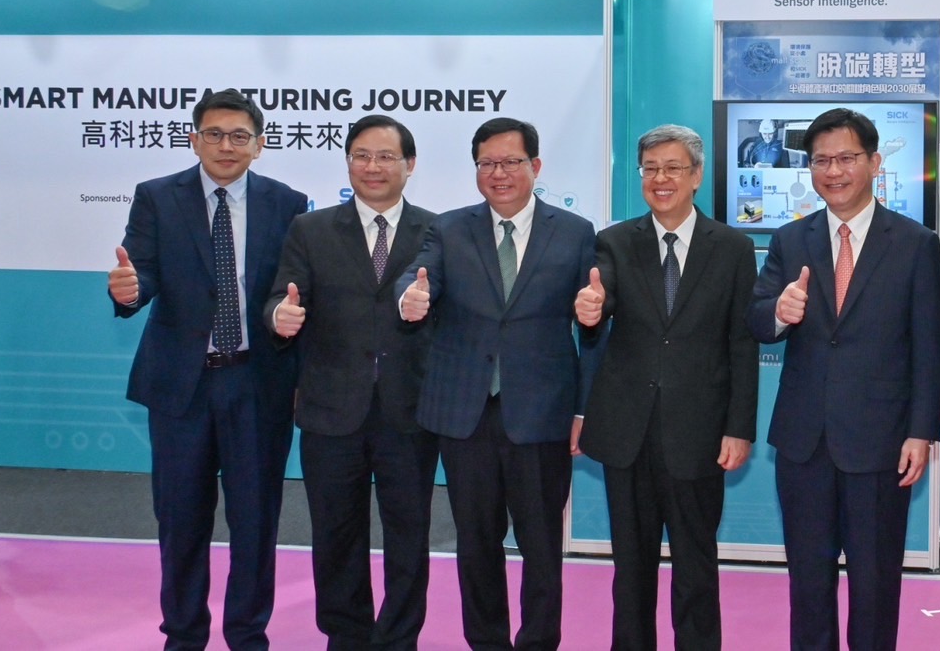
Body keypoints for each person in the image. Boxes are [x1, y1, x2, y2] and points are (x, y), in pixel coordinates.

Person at [107, 88, 308, 650]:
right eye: (214, 134)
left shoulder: (288, 203)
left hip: (257, 383)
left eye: (240, 136)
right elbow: (141, 273)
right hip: (182, 387)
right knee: (180, 521)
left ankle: (247, 635)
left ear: (259, 145)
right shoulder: (157, 197)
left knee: (256, 522)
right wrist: (129, 290)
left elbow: (289, 289)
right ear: (194, 139)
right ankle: (183, 635)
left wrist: (286, 316)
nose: (226, 145)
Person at [747, 107, 940, 651]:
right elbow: (757, 318)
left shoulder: (914, 242)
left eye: (846, 158)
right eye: (821, 161)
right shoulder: (791, 239)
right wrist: (778, 312)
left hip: (881, 443)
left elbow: (930, 346)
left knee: (875, 584)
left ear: (874, 163)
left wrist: (921, 431)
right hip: (804, 442)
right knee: (808, 583)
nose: (833, 171)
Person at [396, 117, 598, 651]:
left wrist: (584, 403)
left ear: (536, 166)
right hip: (466, 414)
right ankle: (486, 642)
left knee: (542, 547)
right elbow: (419, 276)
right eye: (487, 163)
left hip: (542, 414)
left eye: (511, 162)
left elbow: (594, 323)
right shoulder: (449, 229)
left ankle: (538, 642)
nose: (499, 173)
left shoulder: (575, 232)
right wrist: (409, 297)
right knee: (476, 544)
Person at [575, 124, 759, 651]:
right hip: (627, 432)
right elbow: (601, 300)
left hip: (699, 434)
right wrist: (591, 310)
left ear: (696, 175)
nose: (661, 179)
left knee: (696, 566)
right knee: (630, 568)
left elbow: (742, 344)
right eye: (651, 169)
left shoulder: (733, 247)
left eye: (673, 168)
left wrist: (739, 428)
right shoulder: (614, 241)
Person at [264, 114, 438, 650]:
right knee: (335, 535)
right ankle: (346, 636)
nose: (372, 166)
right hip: (331, 409)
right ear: (347, 163)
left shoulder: (438, 231)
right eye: (361, 155)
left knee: (409, 535)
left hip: (409, 411)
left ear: (410, 164)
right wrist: (279, 317)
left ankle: (400, 639)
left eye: (386, 156)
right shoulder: (310, 229)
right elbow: (281, 296)